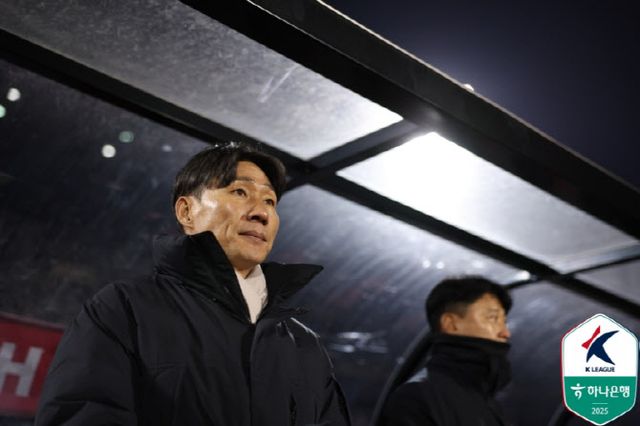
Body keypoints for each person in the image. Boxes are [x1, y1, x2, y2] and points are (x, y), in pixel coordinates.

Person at [36, 142, 351, 425]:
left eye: (270, 201)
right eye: (240, 192)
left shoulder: (305, 345)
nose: (261, 213)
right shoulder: (125, 308)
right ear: (187, 211)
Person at [380, 276, 512, 426]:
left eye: (504, 321)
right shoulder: (415, 399)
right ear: (450, 324)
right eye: (493, 318)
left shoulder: (485, 401)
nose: (505, 332)